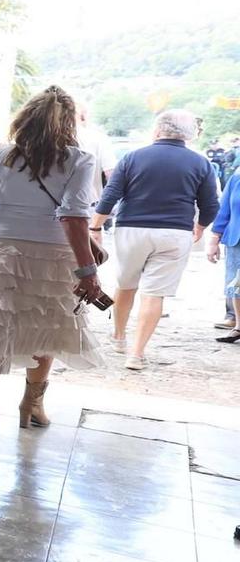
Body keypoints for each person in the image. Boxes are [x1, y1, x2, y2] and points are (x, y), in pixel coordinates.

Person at [0, 87, 108, 452]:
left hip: (0, 252)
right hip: (53, 256)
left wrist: (7, 221)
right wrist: (88, 271)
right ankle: (31, 406)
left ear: (25, 119)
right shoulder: (79, 160)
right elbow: (73, 217)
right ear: (68, 124)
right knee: (46, 328)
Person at [96, 109, 222, 371]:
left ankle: (118, 337)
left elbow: (110, 196)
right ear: (189, 135)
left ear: (157, 130)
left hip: (131, 229)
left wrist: (95, 226)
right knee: (155, 293)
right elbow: (210, 205)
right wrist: (200, 227)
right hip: (175, 232)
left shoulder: (132, 157)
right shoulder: (201, 163)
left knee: (125, 284)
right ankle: (136, 354)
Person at [213, 164, 240, 341]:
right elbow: (224, 210)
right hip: (236, 239)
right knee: (236, 284)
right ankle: (238, 326)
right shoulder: (236, 177)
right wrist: (214, 238)